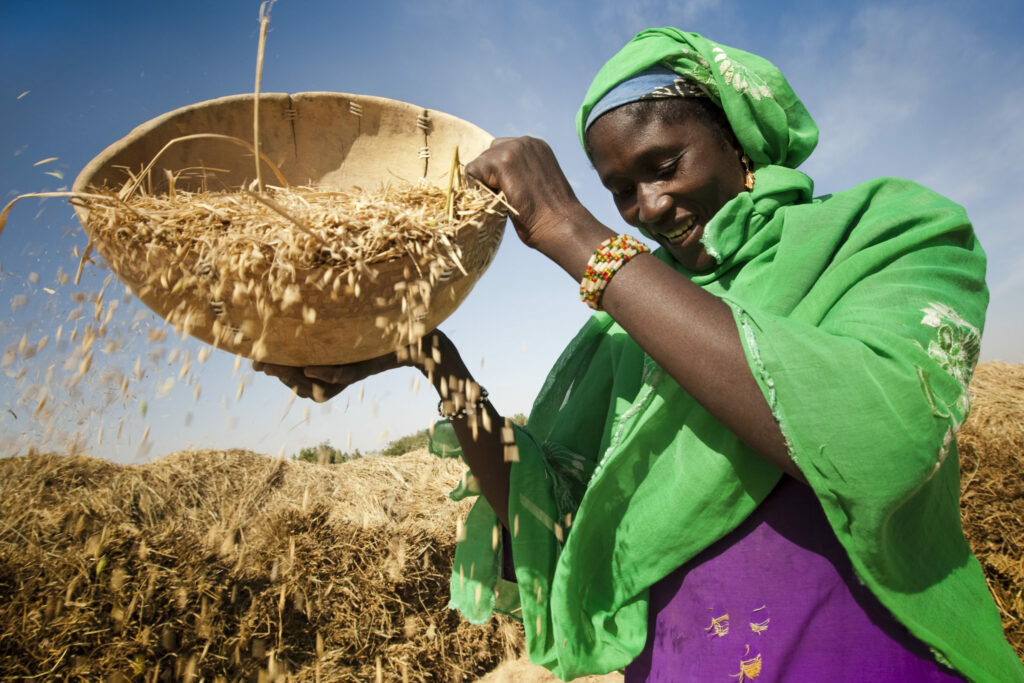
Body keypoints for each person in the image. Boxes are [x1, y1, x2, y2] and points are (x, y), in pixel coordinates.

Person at [255, 29, 1024, 682]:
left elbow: (874, 445)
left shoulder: (887, 232)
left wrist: (573, 229)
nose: (648, 208)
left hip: (865, 657)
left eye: (664, 165)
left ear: (734, 136)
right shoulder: (626, 333)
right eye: (619, 190)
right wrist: (434, 357)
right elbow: (546, 533)